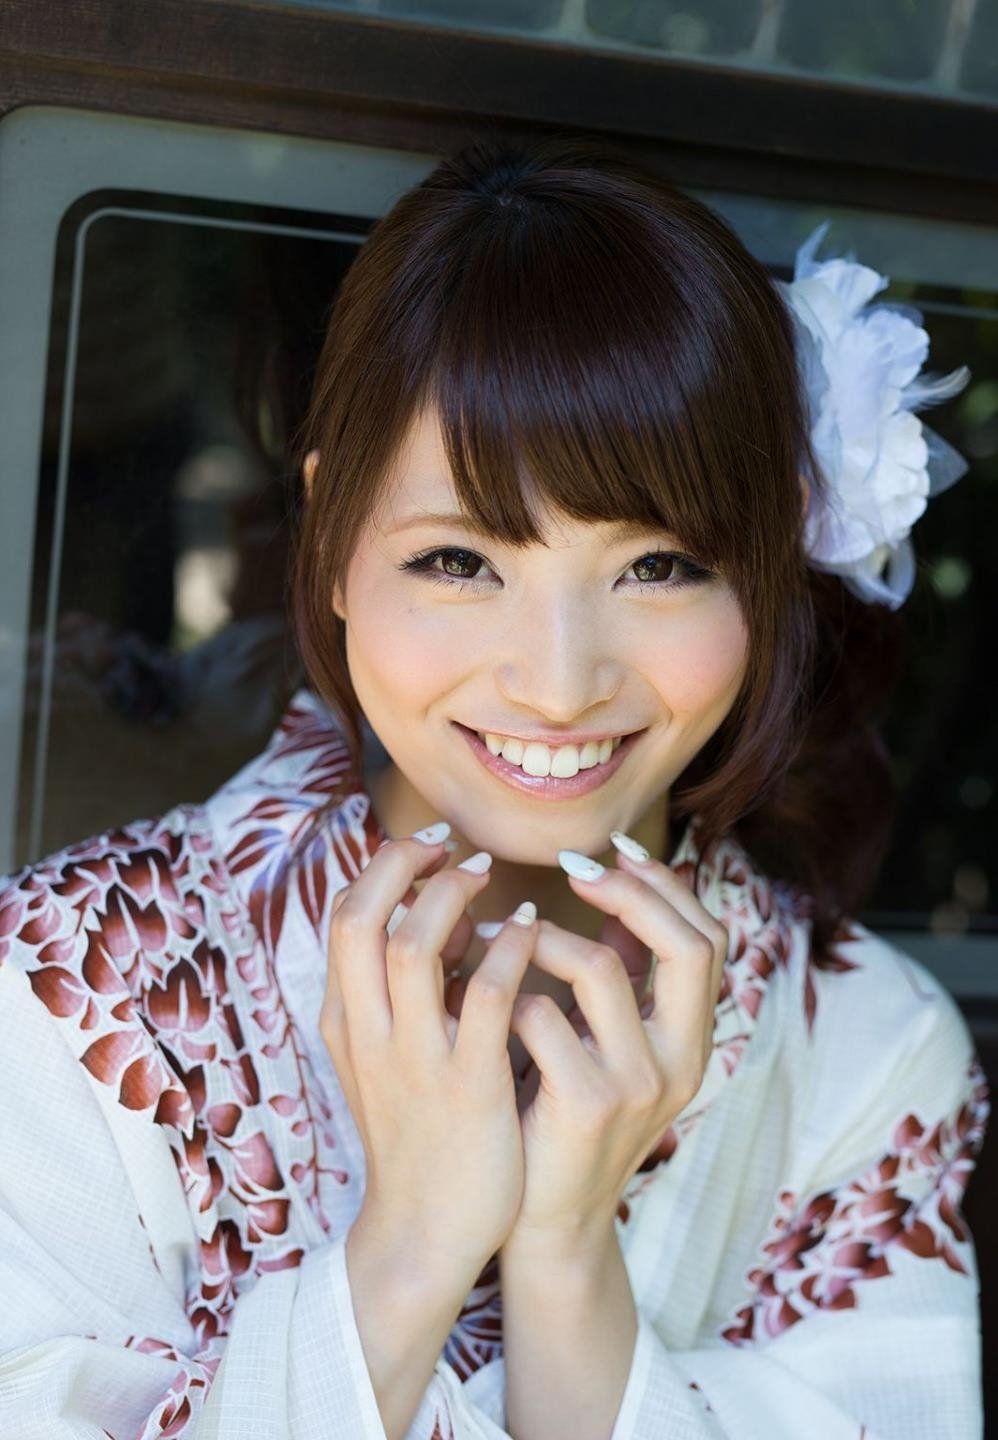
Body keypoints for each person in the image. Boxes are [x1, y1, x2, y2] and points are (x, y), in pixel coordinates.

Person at [0, 135, 987, 1440]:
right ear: (331, 545)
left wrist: (568, 1261)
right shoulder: (66, 990)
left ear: (764, 572)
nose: (560, 685)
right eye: (460, 561)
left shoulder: (865, 1047)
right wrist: (409, 1249)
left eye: (659, 567)